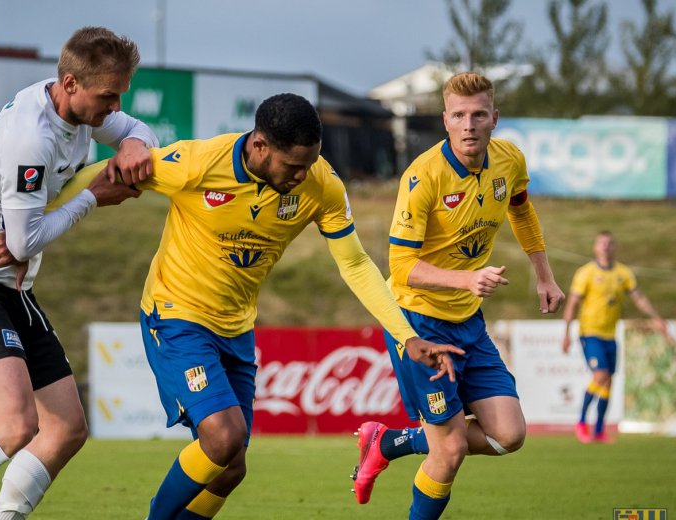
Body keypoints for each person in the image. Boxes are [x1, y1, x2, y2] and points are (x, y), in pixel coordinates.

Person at [49, 92, 464, 519]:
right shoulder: (199, 163)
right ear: (260, 145)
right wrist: (32, 221)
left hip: (236, 329)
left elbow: (356, 263)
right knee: (223, 438)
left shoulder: (321, 184)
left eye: (310, 163)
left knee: (230, 468)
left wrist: (407, 335)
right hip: (175, 315)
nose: (303, 175)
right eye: (294, 165)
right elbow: (104, 172)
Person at [0, 27, 158, 520]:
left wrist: (135, 144)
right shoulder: (32, 137)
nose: (115, 107)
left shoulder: (81, 109)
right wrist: (93, 197)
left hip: (15, 291)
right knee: (15, 426)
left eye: (119, 96)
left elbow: (138, 129)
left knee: (66, 428)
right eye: (107, 96)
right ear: (70, 83)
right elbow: (22, 244)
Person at [349, 72, 565, 519]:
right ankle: (399, 450)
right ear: (445, 120)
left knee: (509, 435)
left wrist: (544, 275)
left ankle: (388, 442)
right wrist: (466, 280)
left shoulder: (509, 160)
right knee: (448, 451)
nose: (469, 125)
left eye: (479, 115)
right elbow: (401, 267)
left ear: (495, 119)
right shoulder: (423, 176)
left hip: (467, 321)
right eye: (460, 115)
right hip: (418, 322)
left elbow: (522, 209)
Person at [561, 230, 671, 443]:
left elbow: (639, 298)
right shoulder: (586, 273)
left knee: (608, 382)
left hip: (610, 335)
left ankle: (599, 431)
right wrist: (566, 333)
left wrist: (657, 318)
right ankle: (581, 423)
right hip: (590, 333)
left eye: (609, 243)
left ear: (614, 247)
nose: (605, 247)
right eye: (601, 243)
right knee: (600, 376)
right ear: (595, 248)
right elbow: (572, 303)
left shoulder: (623, 273)